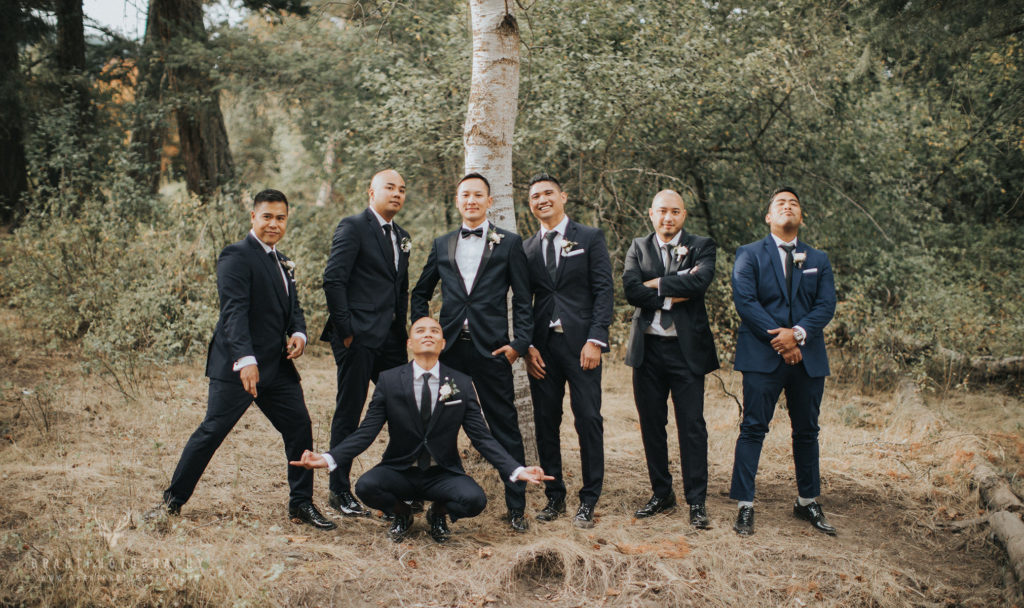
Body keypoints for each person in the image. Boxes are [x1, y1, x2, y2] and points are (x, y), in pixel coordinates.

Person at [154, 189, 334, 530]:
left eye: (280, 218)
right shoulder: (235, 255)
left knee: (299, 426)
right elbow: (233, 312)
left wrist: (298, 332)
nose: (274, 224)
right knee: (212, 431)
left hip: (276, 367)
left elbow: (292, 307)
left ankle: (301, 504)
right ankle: (171, 502)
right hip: (238, 366)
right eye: (267, 216)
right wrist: (245, 359)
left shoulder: (283, 261)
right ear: (253, 217)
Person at [290, 317, 552, 543]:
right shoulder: (389, 381)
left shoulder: (460, 383)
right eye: (420, 331)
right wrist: (327, 458)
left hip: (442, 474)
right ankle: (402, 513)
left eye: (435, 331)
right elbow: (366, 432)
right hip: (400, 471)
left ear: (443, 343)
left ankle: (437, 513)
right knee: (366, 486)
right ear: (409, 343)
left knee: (475, 500)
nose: (428, 334)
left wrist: (516, 469)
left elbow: (481, 437)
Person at [409, 173, 534, 532]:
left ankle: (516, 506)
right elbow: (420, 293)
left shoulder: (509, 243)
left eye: (478, 195)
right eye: (465, 195)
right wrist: (424, 334)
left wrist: (519, 344)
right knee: (435, 424)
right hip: (448, 352)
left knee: (504, 425)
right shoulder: (442, 243)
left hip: (493, 350)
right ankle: (430, 498)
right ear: (457, 200)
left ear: (489, 201)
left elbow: (523, 298)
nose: (471, 200)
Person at [728, 186, 837, 536]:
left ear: (801, 216)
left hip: (808, 357)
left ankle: (807, 501)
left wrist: (799, 335)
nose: (787, 206)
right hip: (762, 356)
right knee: (753, 428)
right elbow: (746, 302)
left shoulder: (818, 259)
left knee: (807, 431)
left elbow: (826, 305)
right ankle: (745, 505)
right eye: (780, 203)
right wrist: (782, 341)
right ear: (768, 216)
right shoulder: (748, 254)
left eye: (793, 203)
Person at [622, 190, 719, 529]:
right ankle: (662, 493)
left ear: (684, 215)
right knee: (651, 424)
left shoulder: (702, 245)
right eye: (662, 211)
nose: (668, 217)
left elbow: (700, 282)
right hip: (647, 350)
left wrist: (656, 284)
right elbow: (631, 290)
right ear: (651, 213)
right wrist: (671, 293)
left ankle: (697, 501)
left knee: (692, 426)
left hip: (685, 350)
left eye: (675, 211)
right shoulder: (638, 247)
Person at [522, 173, 613, 528]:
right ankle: (554, 495)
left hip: (582, 346)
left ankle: (589, 498)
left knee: (588, 419)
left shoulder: (589, 237)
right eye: (535, 196)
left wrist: (596, 340)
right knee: (546, 422)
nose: (542, 200)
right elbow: (523, 302)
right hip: (543, 350)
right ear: (530, 204)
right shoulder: (527, 248)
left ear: (563, 197)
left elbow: (603, 290)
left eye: (548, 193)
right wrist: (528, 346)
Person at [320, 169, 411, 517]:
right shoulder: (353, 226)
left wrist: (402, 332)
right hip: (356, 337)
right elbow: (334, 279)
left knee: (405, 407)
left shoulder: (402, 236)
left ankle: (401, 483)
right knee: (350, 410)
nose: (397, 194)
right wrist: (346, 330)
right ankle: (339, 490)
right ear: (371, 192)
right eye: (390, 187)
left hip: (390, 339)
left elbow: (400, 288)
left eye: (402, 189)